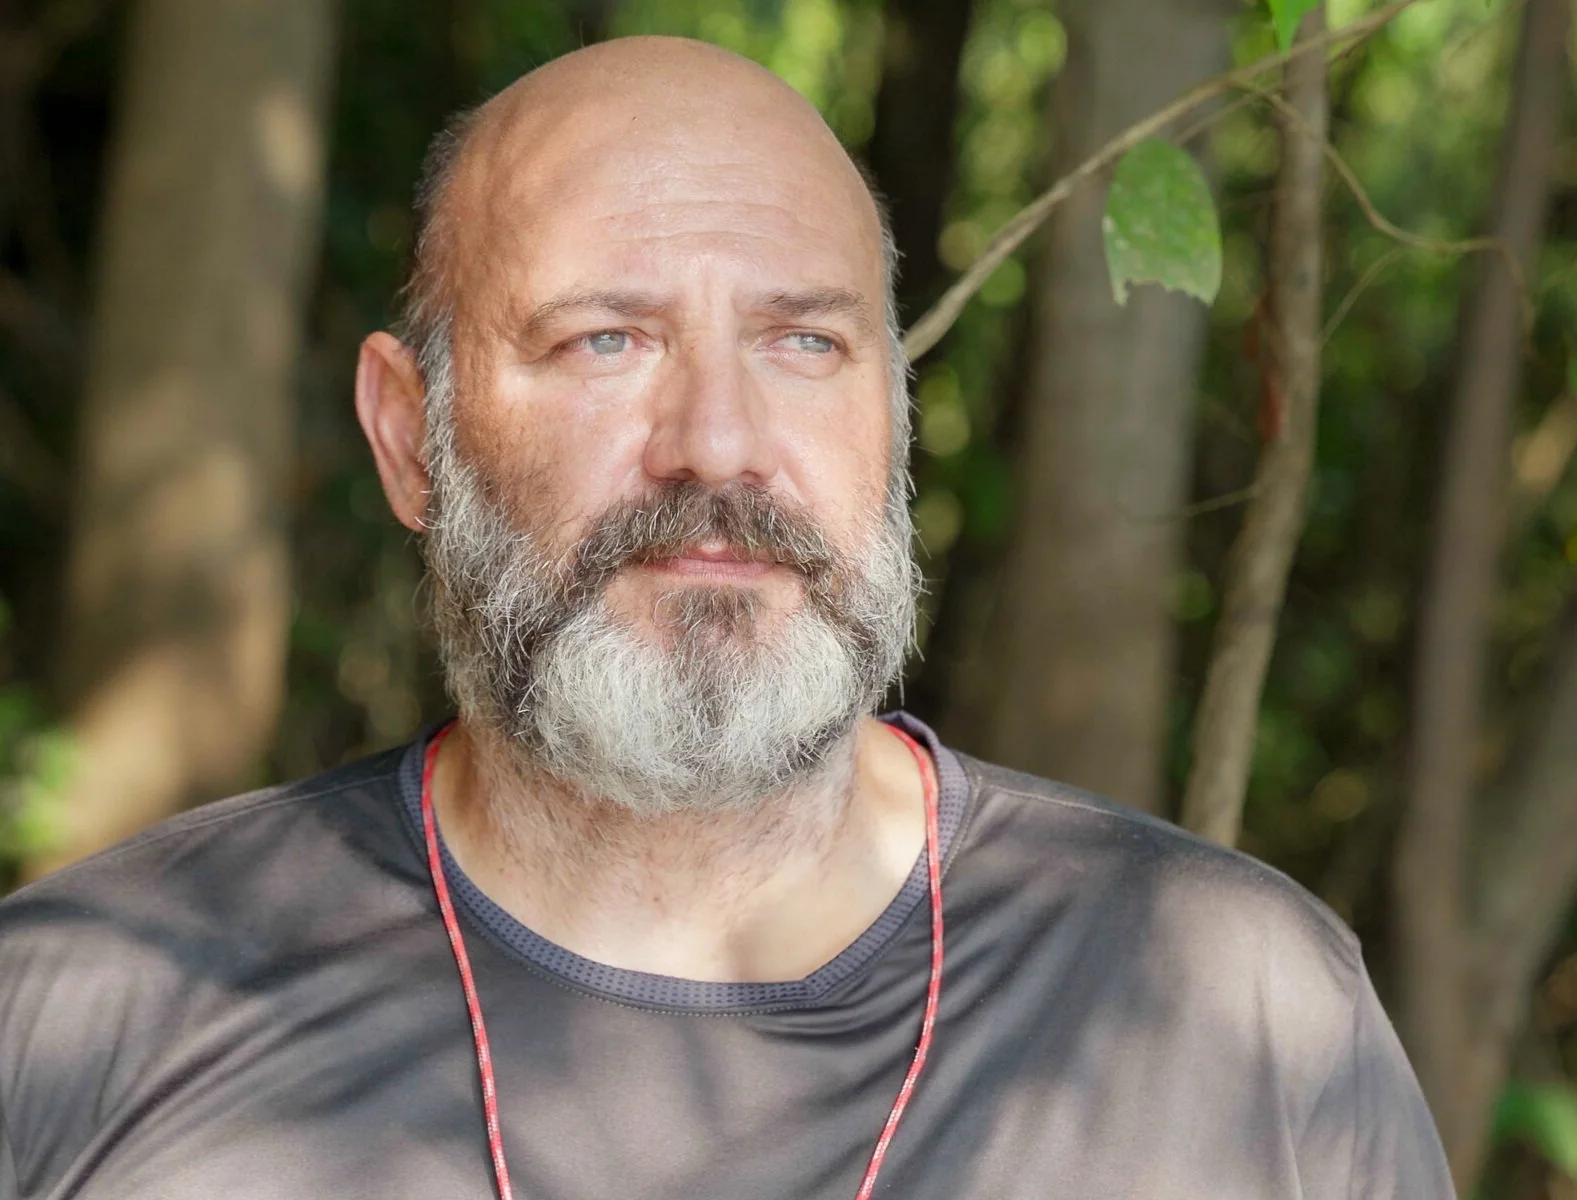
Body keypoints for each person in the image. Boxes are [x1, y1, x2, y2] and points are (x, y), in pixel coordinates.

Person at [0, 37, 1454, 1200]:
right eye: (605, 340)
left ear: (892, 411)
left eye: (803, 342)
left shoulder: (1236, 1008)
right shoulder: (79, 1021)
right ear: (407, 437)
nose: (715, 442)